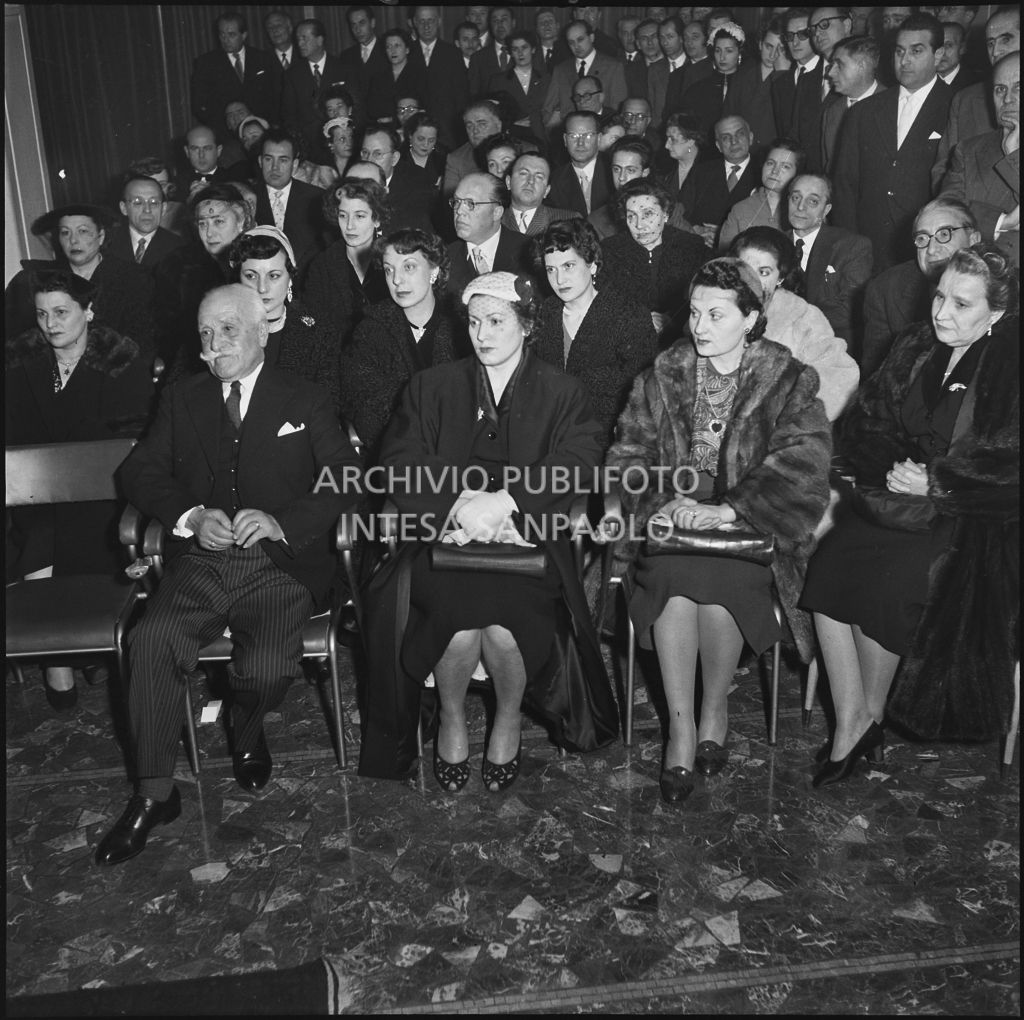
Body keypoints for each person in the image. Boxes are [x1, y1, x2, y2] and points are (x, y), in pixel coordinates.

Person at [94, 284, 361, 865]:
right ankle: (154, 793)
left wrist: (283, 521)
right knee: (151, 638)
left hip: (278, 564)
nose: (215, 344)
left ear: (262, 330)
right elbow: (139, 471)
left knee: (264, 670)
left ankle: (246, 724)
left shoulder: (305, 396)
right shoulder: (182, 396)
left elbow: (345, 475)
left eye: (229, 330)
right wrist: (190, 516)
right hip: (202, 562)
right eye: (206, 334)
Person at [357, 271, 617, 784]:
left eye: (496, 321)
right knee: (453, 624)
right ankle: (452, 717)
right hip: (442, 535)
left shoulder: (562, 390)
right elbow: (398, 459)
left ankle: (508, 718)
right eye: (474, 323)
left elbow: (582, 456)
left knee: (504, 626)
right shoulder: (431, 386)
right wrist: (456, 504)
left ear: (527, 325)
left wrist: (507, 501)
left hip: (529, 537)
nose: (482, 334)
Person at [604, 257, 831, 804]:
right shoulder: (661, 376)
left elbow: (804, 465)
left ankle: (715, 709)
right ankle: (682, 731)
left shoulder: (789, 379)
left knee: (723, 584)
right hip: (674, 517)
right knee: (673, 584)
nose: (700, 325)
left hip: (750, 522)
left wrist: (730, 510)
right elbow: (627, 455)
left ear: (751, 319)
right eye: (694, 312)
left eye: (716, 314)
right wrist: (662, 501)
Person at [801, 244, 1018, 786]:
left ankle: (864, 721)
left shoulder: (1011, 365)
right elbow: (865, 424)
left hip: (972, 520)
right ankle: (854, 719)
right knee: (827, 568)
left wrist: (940, 482)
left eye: (961, 304)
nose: (942, 313)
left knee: (892, 582)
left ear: (995, 312)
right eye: (939, 297)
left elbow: (1012, 467)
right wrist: (890, 468)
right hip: (896, 500)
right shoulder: (915, 344)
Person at [5, 271, 155, 711]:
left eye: (61, 312)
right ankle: (59, 656)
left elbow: (129, 442)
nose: (50, 324)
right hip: (37, 494)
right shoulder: (18, 363)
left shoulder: (121, 361)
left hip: (105, 495)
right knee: (38, 528)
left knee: (78, 529)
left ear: (88, 312)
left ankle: (79, 650)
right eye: (41, 314)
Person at [832, 13, 954, 269]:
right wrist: (850, 246)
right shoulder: (864, 112)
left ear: (938, 55)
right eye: (899, 51)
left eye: (916, 51)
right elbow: (845, 185)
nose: (905, 60)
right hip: (867, 248)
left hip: (926, 250)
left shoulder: (957, 107)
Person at [532, 219, 658, 449]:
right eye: (551, 269)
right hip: (548, 438)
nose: (559, 279)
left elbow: (640, 394)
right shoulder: (545, 312)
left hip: (607, 441)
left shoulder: (628, 315)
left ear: (591, 265)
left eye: (568, 266)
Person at [340, 229, 460, 459]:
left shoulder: (461, 327)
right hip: (395, 456)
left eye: (409, 267)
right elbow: (364, 407)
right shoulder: (370, 329)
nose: (396, 280)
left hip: (456, 454)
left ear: (434, 270)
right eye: (389, 270)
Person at [730, 226, 859, 419]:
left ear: (780, 277)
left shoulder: (803, 318)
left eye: (764, 272)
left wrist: (786, 415)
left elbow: (841, 378)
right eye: (744, 269)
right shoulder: (711, 308)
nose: (752, 280)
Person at [6, 204, 156, 356]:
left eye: (83, 231)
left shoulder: (133, 278)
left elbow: (143, 340)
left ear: (101, 237)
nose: (73, 240)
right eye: (65, 233)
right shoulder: (38, 279)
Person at [861, 198, 982, 377]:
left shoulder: (1004, 289)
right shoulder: (885, 289)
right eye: (922, 238)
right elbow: (875, 376)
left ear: (973, 240)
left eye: (944, 235)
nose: (931, 249)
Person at [228, 227, 340, 411]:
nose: (262, 288)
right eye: (251, 276)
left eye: (273, 276)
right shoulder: (217, 330)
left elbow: (329, 406)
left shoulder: (319, 333)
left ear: (290, 278)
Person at [155, 183, 252, 376]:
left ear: (240, 220)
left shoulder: (256, 262)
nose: (209, 233)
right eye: (202, 224)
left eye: (219, 222)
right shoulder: (179, 267)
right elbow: (167, 332)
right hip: (197, 366)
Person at [939, 52, 1020, 265]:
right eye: (1000, 89)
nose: (1007, 99)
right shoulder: (969, 150)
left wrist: (1014, 155)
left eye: (1018, 87)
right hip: (979, 273)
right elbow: (947, 212)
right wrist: (1003, 221)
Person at [600, 178, 706, 337]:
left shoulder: (691, 247)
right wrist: (639, 319)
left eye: (648, 214)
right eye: (631, 216)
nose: (639, 225)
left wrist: (672, 320)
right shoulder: (609, 251)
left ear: (665, 214)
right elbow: (604, 304)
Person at [932, 6, 1019, 186]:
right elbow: (943, 169)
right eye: (991, 43)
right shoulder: (965, 100)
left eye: (1006, 39)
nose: (996, 51)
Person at [787, 173, 873, 353]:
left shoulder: (852, 246)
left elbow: (850, 308)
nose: (800, 207)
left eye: (812, 201)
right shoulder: (772, 244)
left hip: (831, 346)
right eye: (795, 198)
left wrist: (794, 324)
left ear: (826, 210)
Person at [304, 179, 391, 347]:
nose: (349, 226)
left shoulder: (393, 260)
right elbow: (311, 321)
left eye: (359, 216)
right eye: (343, 215)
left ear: (377, 219)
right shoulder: (323, 264)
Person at [252, 128, 327, 277]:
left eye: (283, 160)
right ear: (260, 161)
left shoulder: (317, 198)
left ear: (295, 164)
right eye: (268, 159)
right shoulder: (249, 199)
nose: (275, 167)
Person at [282, 19, 362, 155]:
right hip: (308, 147)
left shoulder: (344, 68)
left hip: (342, 144)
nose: (300, 44)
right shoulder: (292, 75)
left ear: (319, 40)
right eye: (298, 39)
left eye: (304, 38)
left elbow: (357, 107)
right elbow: (289, 117)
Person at [445, 171, 530, 298]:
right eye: (457, 202)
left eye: (470, 203)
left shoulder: (527, 252)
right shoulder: (445, 257)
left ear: (496, 212)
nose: (459, 211)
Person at [190, 11, 282, 128]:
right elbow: (199, 105)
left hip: (261, 128)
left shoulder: (263, 59)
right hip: (224, 131)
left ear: (244, 35)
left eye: (231, 35)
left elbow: (275, 97)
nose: (225, 40)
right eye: (222, 35)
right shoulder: (206, 63)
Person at [688, 115, 761, 247]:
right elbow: (681, 212)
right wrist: (696, 230)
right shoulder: (701, 172)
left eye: (740, 134)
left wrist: (726, 234)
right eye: (726, 138)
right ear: (718, 146)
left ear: (750, 138)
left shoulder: (763, 175)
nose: (734, 141)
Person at [719, 138, 803, 250]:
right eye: (770, 163)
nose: (774, 171)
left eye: (785, 166)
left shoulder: (803, 210)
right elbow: (725, 255)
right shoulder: (740, 209)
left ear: (797, 173)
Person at [543, 19, 628, 128]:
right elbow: (548, 109)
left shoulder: (613, 67)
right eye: (571, 42)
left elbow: (618, 109)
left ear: (591, 37)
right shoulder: (561, 70)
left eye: (580, 40)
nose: (576, 46)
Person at [407, 6, 470, 153]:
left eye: (431, 20)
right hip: (415, 130)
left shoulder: (453, 53)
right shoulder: (407, 52)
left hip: (447, 133)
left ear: (439, 22)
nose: (426, 26)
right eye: (422, 21)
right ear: (414, 22)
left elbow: (461, 96)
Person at [723, 17, 790, 153]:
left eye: (781, 49)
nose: (773, 55)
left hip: (773, 153)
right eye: (768, 46)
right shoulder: (742, 75)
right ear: (760, 44)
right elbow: (728, 115)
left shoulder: (790, 78)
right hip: (741, 151)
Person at [820, 35, 885, 174]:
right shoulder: (832, 111)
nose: (830, 73)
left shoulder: (894, 106)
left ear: (861, 66)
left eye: (839, 65)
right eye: (832, 65)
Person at [680, 22, 747, 140]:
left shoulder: (748, 85)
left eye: (729, 51)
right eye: (718, 50)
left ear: (739, 53)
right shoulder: (698, 88)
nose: (722, 57)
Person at [107, 174, 186, 273]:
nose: (147, 210)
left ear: (163, 208)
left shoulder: (179, 248)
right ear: (124, 208)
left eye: (154, 202)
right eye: (138, 202)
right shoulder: (107, 242)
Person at [487, 29, 550, 148]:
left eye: (524, 48)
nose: (520, 53)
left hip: (541, 141)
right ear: (511, 52)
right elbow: (491, 114)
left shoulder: (546, 79)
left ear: (533, 49)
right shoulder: (498, 81)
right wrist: (511, 124)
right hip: (510, 141)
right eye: (515, 49)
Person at [547, 111, 614, 217]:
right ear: (565, 140)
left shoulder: (614, 171)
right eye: (573, 136)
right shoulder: (555, 180)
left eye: (588, 136)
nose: (580, 143)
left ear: (599, 138)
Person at [366, 29, 428, 124]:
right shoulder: (378, 77)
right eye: (388, 47)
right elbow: (372, 109)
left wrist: (392, 119)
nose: (393, 51)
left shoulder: (420, 75)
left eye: (397, 46)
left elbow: (424, 108)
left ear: (407, 49)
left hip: (412, 126)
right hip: (384, 128)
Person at [659, 112, 705, 224]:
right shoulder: (663, 169)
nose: (666, 145)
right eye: (667, 139)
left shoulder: (710, 171)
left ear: (691, 141)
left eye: (672, 139)